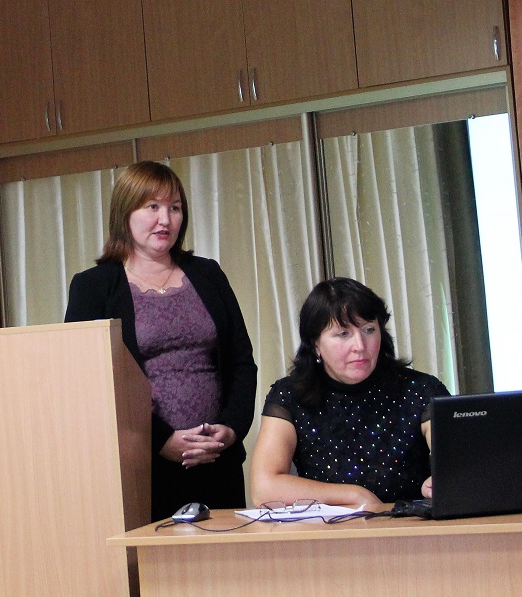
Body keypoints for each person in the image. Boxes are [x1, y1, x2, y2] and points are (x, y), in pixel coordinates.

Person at [64, 160, 257, 521]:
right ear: (125, 212)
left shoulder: (208, 274)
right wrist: (161, 440)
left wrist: (230, 429)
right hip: (142, 465)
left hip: (216, 458)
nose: (165, 219)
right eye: (152, 206)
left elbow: (241, 362)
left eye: (175, 208)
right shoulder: (93, 286)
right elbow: (89, 383)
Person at [249, 277, 450, 508]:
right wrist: (354, 496)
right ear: (315, 344)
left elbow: (460, 462)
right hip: (328, 528)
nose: (360, 346)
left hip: (409, 526)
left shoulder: (420, 389)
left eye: (369, 330)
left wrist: (445, 481)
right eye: (343, 334)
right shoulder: (290, 395)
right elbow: (264, 488)